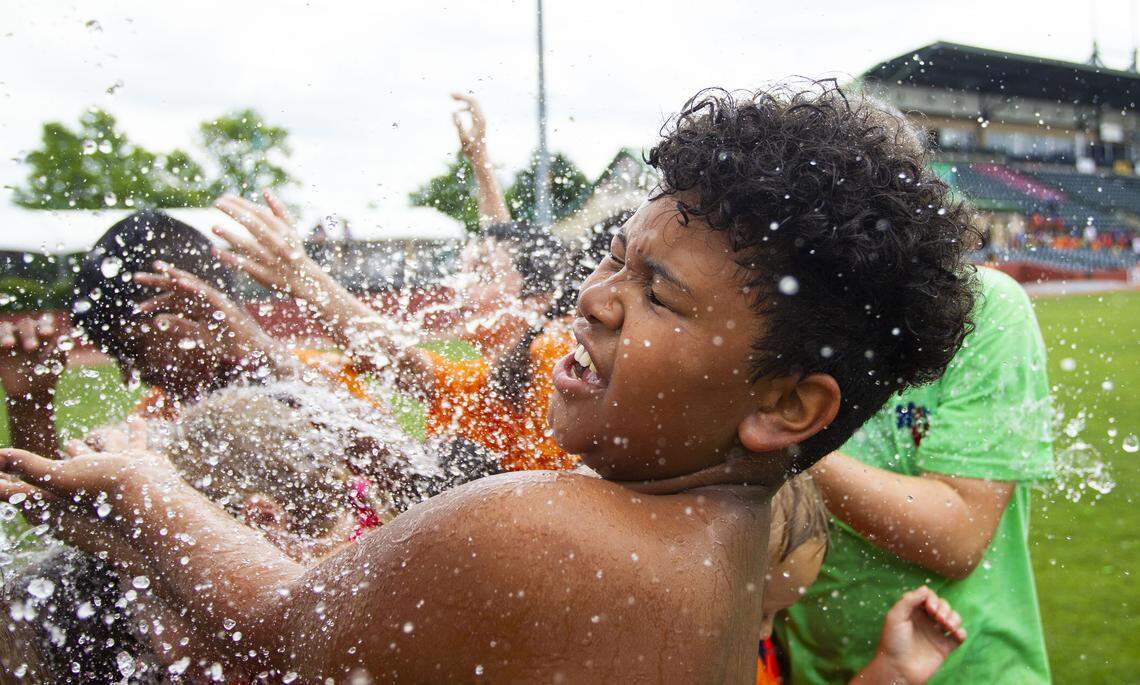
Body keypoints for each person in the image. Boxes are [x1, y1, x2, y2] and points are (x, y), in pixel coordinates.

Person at [0, 81, 978, 682]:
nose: (595, 300)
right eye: (615, 261)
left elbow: (276, 632)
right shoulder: (726, 537)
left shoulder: (547, 530)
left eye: (659, 293)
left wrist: (145, 493)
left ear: (784, 405)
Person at [779, 265, 1054, 684]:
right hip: (810, 666)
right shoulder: (779, 303)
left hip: (968, 669)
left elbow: (958, 535)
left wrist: (787, 444)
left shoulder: (978, 304)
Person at [0, 211, 297, 457]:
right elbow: (69, 522)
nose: (132, 376)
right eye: (119, 359)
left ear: (190, 309)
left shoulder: (312, 380)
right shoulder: (160, 417)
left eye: (134, 350)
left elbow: (338, 447)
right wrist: (30, 403)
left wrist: (264, 357)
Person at [758, 476, 967, 685]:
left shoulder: (757, 654)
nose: (767, 631)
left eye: (779, 614)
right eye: (761, 614)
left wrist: (891, 670)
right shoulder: (732, 665)